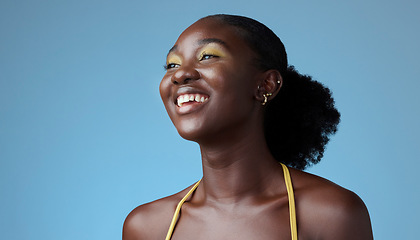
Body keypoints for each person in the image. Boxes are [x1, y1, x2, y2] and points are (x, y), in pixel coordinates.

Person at [123, 14, 373, 240]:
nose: (180, 75)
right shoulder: (147, 227)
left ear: (266, 85)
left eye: (207, 56)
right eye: (172, 65)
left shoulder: (331, 214)